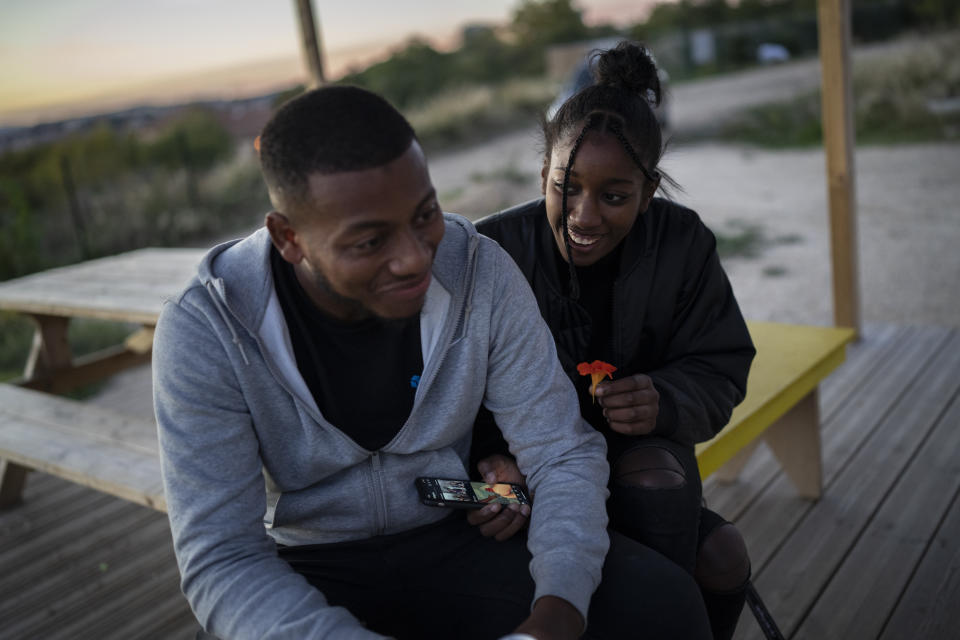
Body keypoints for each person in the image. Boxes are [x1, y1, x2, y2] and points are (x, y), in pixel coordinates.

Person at [152, 85, 713, 640]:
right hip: (305, 563)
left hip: (455, 530)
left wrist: (558, 611)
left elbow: (561, 452)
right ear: (289, 237)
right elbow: (223, 557)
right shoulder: (207, 328)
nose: (417, 258)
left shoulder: (479, 270)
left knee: (665, 608)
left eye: (425, 215)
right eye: (370, 242)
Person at [469, 41, 757, 640]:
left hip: (644, 467)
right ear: (543, 170)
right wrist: (485, 458)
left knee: (722, 551)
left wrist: (666, 398)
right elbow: (444, 387)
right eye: (563, 187)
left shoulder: (683, 243)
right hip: (526, 471)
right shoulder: (490, 251)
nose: (583, 215)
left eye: (615, 196)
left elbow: (722, 364)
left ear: (649, 193)